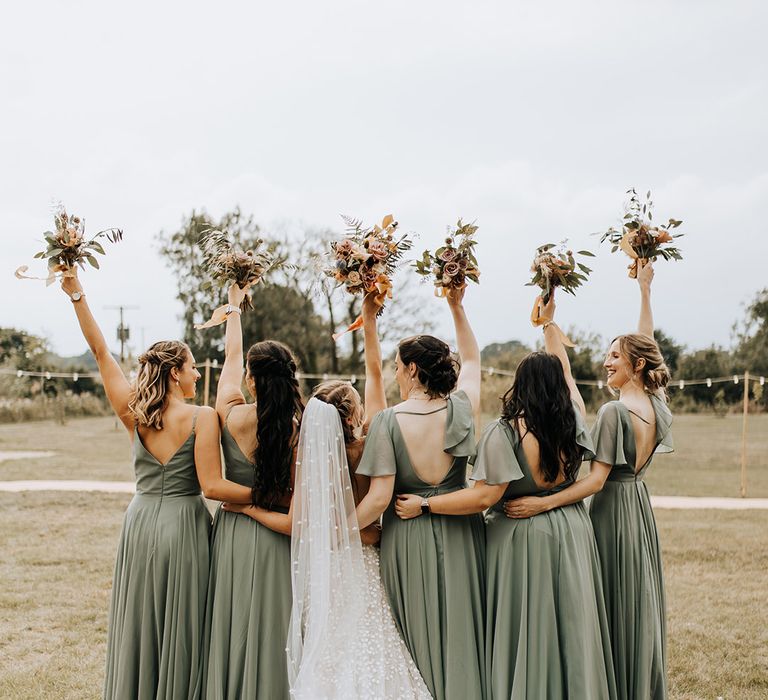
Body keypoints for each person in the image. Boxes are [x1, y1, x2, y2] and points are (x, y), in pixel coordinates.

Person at [397, 290, 617, 699]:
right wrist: (550, 324)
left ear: (521, 385)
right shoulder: (573, 416)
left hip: (520, 536)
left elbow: (483, 498)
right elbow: (567, 377)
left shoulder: (505, 431)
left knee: (527, 627)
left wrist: (425, 504)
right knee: (571, 620)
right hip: (572, 531)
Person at [224, 293, 431, 698]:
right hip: (366, 554)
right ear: (354, 415)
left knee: (329, 643)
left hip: (328, 565)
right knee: (372, 636)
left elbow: (297, 522)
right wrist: (369, 321)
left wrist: (250, 507)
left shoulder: (313, 461)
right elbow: (374, 375)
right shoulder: (373, 443)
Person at [60, 271, 252, 699]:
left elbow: (99, 351)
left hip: (141, 521)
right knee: (182, 621)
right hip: (183, 525)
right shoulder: (202, 417)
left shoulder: (135, 412)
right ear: (175, 373)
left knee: (142, 620)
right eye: (191, 369)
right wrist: (267, 497)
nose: (198, 377)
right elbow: (212, 487)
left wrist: (76, 293)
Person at [506, 261, 673, 700]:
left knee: (612, 600)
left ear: (635, 365)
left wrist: (541, 504)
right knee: (634, 599)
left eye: (614, 356)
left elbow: (596, 481)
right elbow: (644, 343)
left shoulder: (615, 412)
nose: (605, 362)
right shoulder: (654, 405)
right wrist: (644, 291)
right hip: (638, 509)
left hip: (611, 510)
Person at [352, 287, 485, 700]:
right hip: (462, 532)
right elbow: (475, 359)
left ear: (412, 369)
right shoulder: (463, 406)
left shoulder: (388, 423)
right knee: (462, 629)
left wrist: (335, 529)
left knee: (411, 634)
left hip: (406, 538)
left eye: (397, 367)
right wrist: (456, 305)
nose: (393, 373)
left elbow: (377, 499)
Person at [198, 283, 304, 699]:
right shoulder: (297, 430)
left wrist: (235, 308)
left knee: (232, 617)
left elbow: (231, 359)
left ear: (252, 380)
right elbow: (294, 497)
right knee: (273, 628)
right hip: (277, 535)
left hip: (233, 532)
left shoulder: (231, 414)